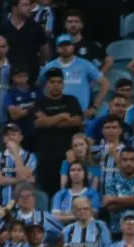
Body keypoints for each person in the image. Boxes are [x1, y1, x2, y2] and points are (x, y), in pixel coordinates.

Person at [33, 68, 83, 197]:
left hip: (68, 155)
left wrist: (50, 121)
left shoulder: (71, 100)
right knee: (47, 193)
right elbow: (39, 123)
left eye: (59, 82)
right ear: (47, 84)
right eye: (52, 82)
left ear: (63, 84)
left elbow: (76, 121)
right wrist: (62, 115)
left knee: (69, 191)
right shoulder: (39, 102)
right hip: (46, 156)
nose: (56, 85)